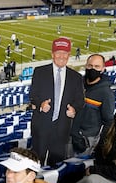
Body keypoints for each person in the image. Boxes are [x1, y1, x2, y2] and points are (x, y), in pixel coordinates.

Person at [29, 37, 84, 167]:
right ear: (52, 54)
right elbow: (32, 95)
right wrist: (41, 104)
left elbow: (80, 100)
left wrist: (74, 109)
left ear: (69, 55)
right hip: (41, 126)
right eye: (58, 53)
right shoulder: (40, 72)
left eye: (65, 53)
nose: (61, 56)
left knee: (57, 164)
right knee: (37, 161)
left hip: (62, 128)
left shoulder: (76, 77)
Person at [71, 54, 115, 156]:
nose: (92, 69)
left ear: (103, 69)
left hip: (85, 140)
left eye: (97, 66)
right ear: (86, 66)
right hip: (68, 135)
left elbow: (108, 121)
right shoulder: (77, 84)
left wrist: (100, 144)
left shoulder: (106, 93)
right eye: (90, 66)